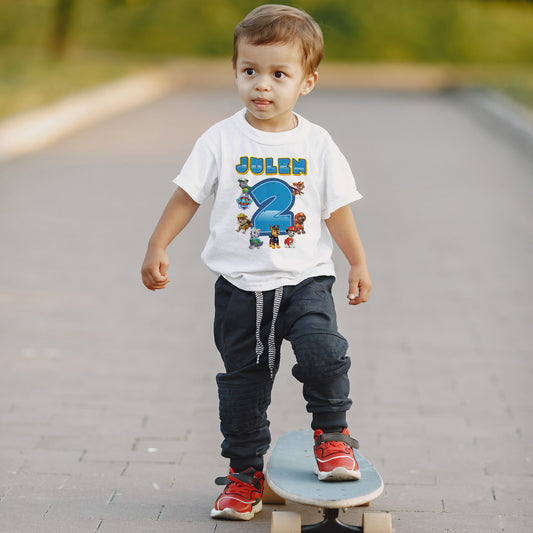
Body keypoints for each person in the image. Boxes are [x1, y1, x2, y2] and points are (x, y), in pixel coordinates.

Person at [141, 3, 372, 522]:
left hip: (306, 280)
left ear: (306, 82)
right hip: (240, 288)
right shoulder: (220, 139)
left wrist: (357, 262)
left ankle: (332, 438)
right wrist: (158, 245)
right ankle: (245, 476)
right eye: (250, 71)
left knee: (323, 352)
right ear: (235, 72)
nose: (261, 85)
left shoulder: (316, 143)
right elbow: (187, 196)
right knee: (244, 387)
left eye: (278, 74)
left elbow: (336, 209)